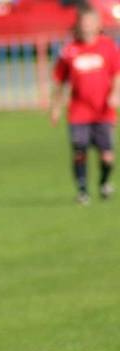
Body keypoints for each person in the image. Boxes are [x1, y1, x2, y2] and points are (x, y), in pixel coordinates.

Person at [50, 6, 120, 205]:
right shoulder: (69, 51)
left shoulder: (108, 47)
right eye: (83, 23)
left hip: (103, 111)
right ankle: (82, 191)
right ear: (78, 25)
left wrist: (115, 94)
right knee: (79, 150)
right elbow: (59, 80)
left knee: (107, 156)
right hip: (79, 111)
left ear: (98, 25)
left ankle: (104, 182)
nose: (87, 27)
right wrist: (55, 107)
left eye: (90, 23)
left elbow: (117, 73)